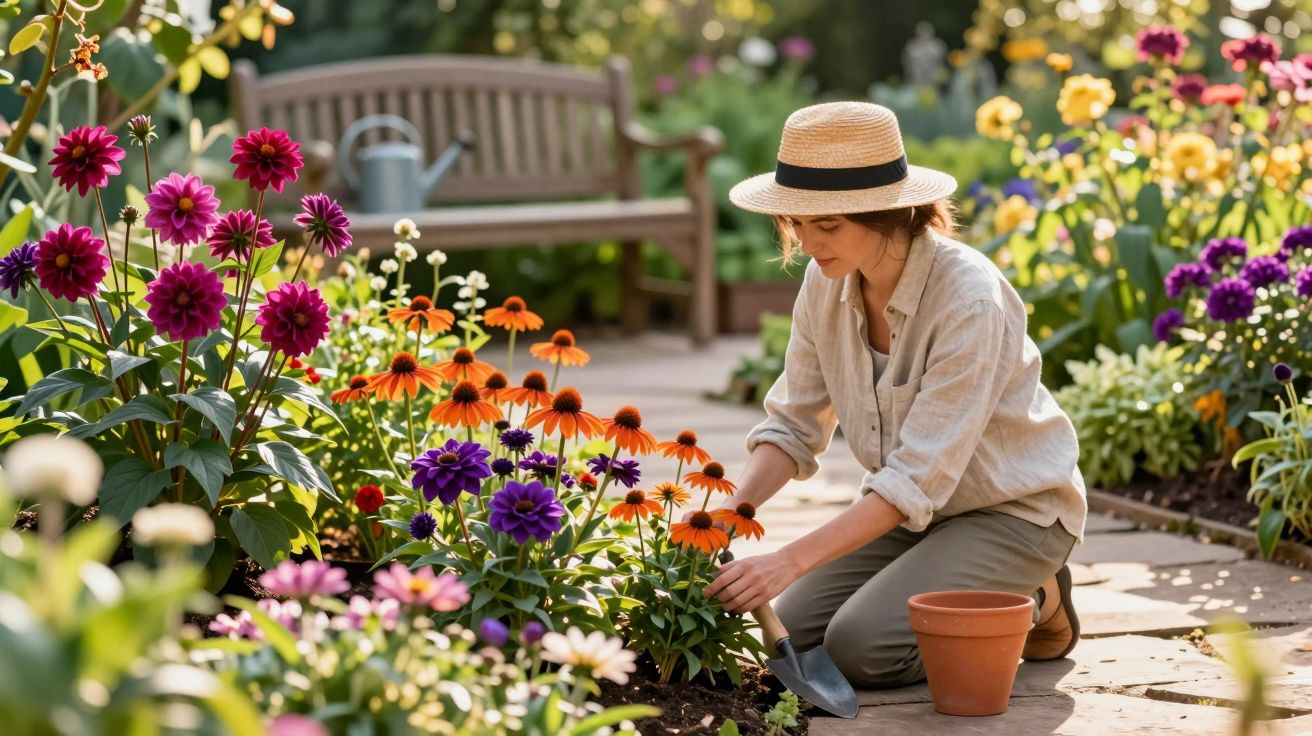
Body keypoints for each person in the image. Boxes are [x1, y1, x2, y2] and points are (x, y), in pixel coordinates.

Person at [702, 101, 1088, 689]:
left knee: (863, 649)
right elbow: (793, 426)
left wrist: (787, 559)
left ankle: (1036, 594)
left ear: (891, 213)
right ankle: (960, 582)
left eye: (827, 225)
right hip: (913, 517)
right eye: (796, 222)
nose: (807, 243)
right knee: (795, 629)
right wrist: (728, 514)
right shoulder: (824, 283)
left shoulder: (969, 300)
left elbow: (917, 475)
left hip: (1013, 511)